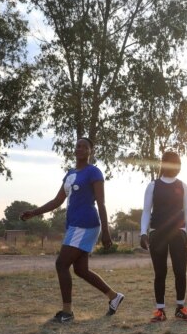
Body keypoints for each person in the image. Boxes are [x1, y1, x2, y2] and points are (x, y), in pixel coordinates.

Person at [21, 138, 125, 323]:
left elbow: (101, 202)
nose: (80, 149)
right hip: (74, 224)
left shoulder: (94, 172)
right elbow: (57, 201)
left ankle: (67, 312)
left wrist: (107, 231)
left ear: (91, 151)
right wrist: (34, 212)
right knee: (80, 269)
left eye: (85, 147)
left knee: (61, 264)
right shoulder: (69, 174)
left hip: (85, 223)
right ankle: (113, 296)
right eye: (78, 146)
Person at [140, 151, 187, 323]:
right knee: (160, 272)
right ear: (164, 164)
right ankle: (160, 310)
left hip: (178, 233)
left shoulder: (183, 186)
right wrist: (143, 232)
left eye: (179, 164)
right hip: (158, 233)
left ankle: (180, 308)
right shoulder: (153, 186)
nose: (177, 167)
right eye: (173, 163)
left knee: (180, 271)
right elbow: (146, 211)